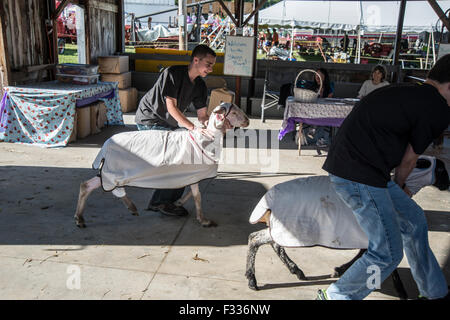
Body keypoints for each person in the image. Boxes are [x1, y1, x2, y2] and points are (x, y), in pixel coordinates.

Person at [317, 54, 450, 300]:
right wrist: (398, 188)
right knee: (386, 253)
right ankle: (335, 296)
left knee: (414, 220)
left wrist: (394, 191)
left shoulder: (408, 91)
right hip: (360, 175)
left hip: (357, 168)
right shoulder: (438, 107)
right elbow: (408, 161)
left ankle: (434, 292)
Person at [135, 44, 216, 217]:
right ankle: (161, 202)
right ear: (196, 60)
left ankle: (162, 201)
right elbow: (171, 107)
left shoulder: (200, 85)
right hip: (150, 119)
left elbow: (202, 115)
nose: (210, 69)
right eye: (208, 64)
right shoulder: (172, 74)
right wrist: (193, 128)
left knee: (183, 158)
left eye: (212, 65)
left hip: (170, 124)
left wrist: (216, 125)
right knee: (177, 160)